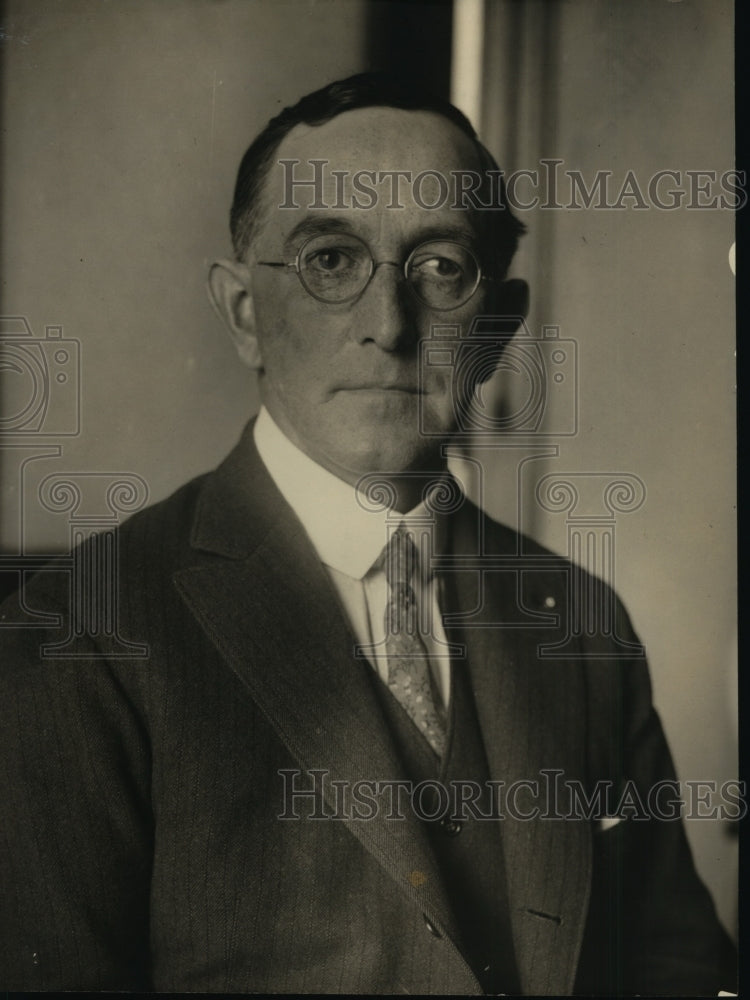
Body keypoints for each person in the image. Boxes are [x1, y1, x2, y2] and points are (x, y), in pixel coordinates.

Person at [0, 73, 736, 995]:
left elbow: (677, 964)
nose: (389, 327)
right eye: (331, 260)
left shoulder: (583, 623)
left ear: (499, 326)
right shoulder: (75, 637)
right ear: (243, 314)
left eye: (441, 268)